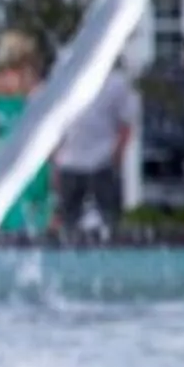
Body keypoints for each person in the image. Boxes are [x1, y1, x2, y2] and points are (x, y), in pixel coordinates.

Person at [53, 54, 141, 238]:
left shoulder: (116, 83)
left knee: (108, 219)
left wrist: (117, 157)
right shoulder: (68, 81)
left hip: (100, 161)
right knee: (69, 221)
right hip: (72, 162)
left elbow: (126, 125)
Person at [0, 31, 50, 237]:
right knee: (33, 208)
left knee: (3, 203)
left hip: (1, 148)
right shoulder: (34, 86)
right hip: (30, 150)